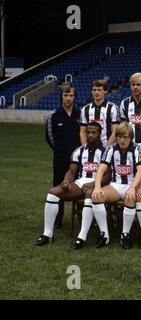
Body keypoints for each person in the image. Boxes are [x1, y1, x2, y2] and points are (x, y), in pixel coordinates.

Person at [34, 122, 109, 247]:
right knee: (53, 193)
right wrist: (66, 181)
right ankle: (47, 234)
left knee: (90, 195)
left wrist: (93, 184)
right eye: (88, 132)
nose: (90, 135)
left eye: (93, 132)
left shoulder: (107, 151)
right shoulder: (79, 151)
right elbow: (71, 171)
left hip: (99, 185)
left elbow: (108, 176)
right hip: (81, 183)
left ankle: (81, 237)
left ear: (100, 134)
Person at [91, 122, 141, 249]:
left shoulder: (137, 149)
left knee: (130, 197)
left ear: (131, 137)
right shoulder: (111, 149)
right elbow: (101, 169)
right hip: (116, 185)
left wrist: (133, 188)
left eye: (125, 137)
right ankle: (104, 235)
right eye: (120, 137)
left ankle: (125, 235)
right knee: (97, 196)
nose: (122, 140)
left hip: (131, 184)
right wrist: (97, 187)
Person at [45, 84, 81, 229]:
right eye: (65, 95)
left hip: (78, 160)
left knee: (79, 187)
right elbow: (49, 137)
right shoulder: (54, 115)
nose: (68, 98)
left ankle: (82, 218)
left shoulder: (80, 113)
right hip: (60, 158)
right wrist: (60, 149)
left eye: (71, 96)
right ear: (61, 97)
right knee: (59, 186)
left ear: (74, 97)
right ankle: (57, 219)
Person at [80, 80, 120, 146]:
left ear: (105, 91)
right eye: (94, 90)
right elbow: (82, 132)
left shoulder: (113, 108)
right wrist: (84, 148)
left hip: (107, 148)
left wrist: (106, 149)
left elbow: (115, 131)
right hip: (90, 149)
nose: (96, 92)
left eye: (99, 90)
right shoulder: (85, 109)